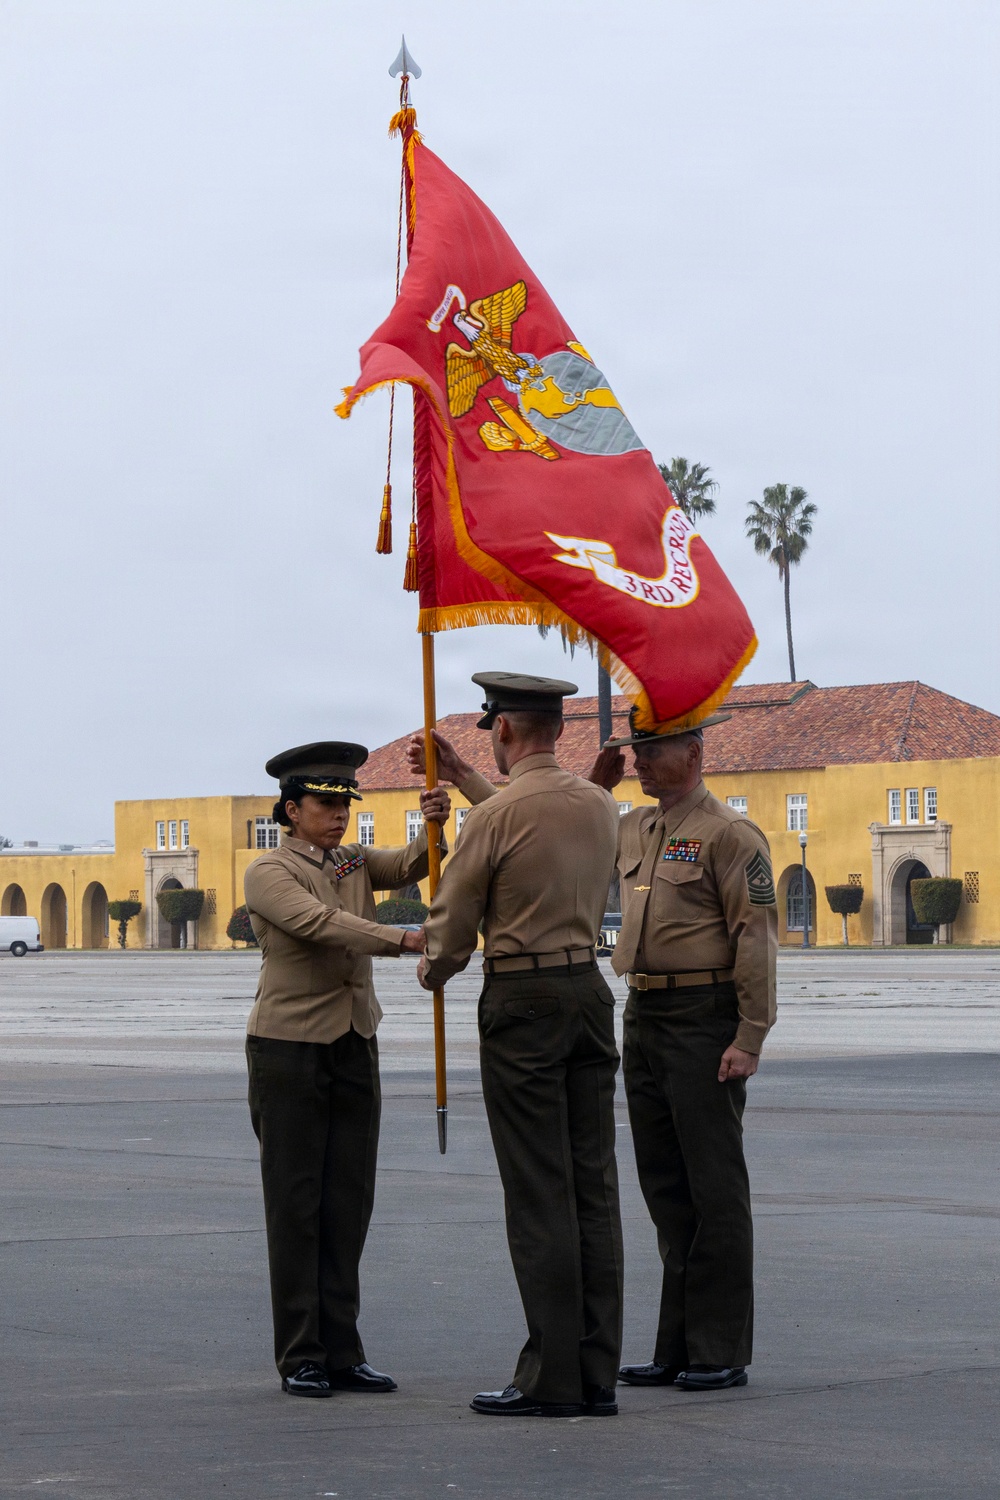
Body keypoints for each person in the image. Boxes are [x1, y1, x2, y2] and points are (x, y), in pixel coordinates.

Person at [411, 673, 625, 1419]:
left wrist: (432, 967)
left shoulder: (493, 820)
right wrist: (465, 778)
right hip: (588, 996)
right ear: (557, 730)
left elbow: (454, 924)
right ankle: (597, 1373)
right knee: (592, 1188)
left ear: (503, 729)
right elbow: (525, 819)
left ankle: (549, 1378)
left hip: (523, 1003)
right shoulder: (601, 804)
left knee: (539, 1193)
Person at [243, 740, 450, 1398]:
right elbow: (321, 923)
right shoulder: (270, 872)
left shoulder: (353, 860)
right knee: (297, 1204)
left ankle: (343, 1348)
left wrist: (437, 822)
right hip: (290, 1047)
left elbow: (414, 863)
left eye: (344, 804)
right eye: (325, 805)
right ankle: (301, 1352)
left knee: (348, 1201)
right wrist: (405, 938)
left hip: (354, 1039)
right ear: (291, 809)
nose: (338, 816)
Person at [591, 707, 778, 1393]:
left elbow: (755, 935)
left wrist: (749, 1034)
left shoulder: (729, 834)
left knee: (714, 1187)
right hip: (645, 1012)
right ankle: (677, 1346)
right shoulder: (636, 826)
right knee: (667, 1188)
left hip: (706, 1015)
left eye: (652, 750)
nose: (637, 761)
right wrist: (464, 777)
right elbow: (544, 830)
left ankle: (721, 1348)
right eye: (636, 750)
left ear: (694, 753)